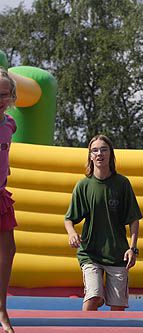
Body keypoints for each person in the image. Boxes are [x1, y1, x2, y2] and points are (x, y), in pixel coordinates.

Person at [64, 134, 142, 311]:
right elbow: (69, 218)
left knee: (117, 308)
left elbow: (134, 219)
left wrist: (133, 248)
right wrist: (71, 233)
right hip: (90, 253)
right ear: (90, 156)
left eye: (104, 149)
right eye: (95, 150)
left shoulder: (122, 184)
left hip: (118, 255)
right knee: (93, 296)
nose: (99, 153)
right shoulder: (84, 185)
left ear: (111, 154)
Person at [0, 68, 17, 333]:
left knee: (8, 249)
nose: (0, 98)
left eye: (4, 94)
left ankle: (1, 308)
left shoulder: (9, 123)